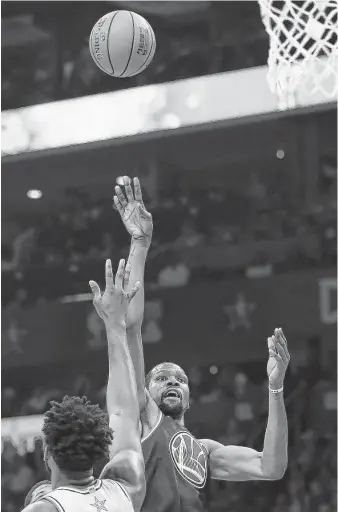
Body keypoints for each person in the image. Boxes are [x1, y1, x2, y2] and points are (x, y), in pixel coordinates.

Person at [114, 176, 290, 512]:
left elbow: (271, 467)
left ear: (190, 398)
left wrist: (276, 388)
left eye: (180, 379)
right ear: (145, 390)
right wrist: (140, 243)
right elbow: (133, 326)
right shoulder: (143, 421)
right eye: (162, 377)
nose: (173, 381)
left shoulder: (203, 450)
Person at [23, 259, 145, 512]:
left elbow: (123, 412)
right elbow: (123, 411)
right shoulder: (128, 486)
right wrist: (115, 325)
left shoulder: (44, 509)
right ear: (102, 446)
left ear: (47, 452)